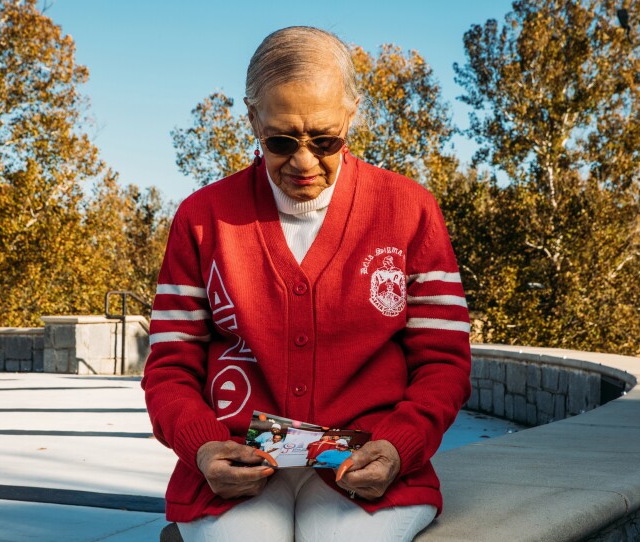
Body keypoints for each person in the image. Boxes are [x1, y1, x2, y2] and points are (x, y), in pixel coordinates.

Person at [142, 25, 471, 542]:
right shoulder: (201, 219)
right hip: (238, 465)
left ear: (352, 114)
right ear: (252, 118)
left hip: (367, 461)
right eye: (278, 141)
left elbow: (443, 360)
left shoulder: (410, 211)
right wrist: (203, 446)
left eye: (325, 140)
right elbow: (170, 367)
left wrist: (399, 445)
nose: (303, 161)